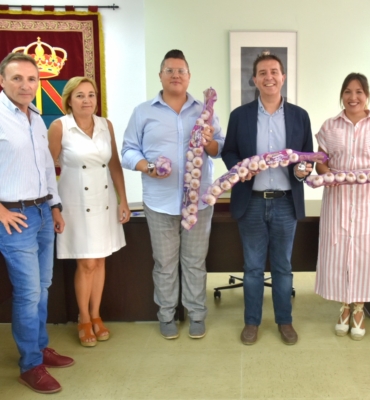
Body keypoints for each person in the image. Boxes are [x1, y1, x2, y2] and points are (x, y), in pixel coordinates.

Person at [122, 49, 224, 340]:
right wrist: (147, 167)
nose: (176, 75)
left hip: (199, 201)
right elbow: (128, 150)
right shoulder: (143, 112)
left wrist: (208, 143)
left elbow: (220, 147)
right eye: (170, 70)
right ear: (160, 76)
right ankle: (166, 314)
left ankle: (196, 314)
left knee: (194, 261)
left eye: (181, 70)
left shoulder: (205, 111)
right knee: (165, 264)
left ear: (189, 76)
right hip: (159, 201)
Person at [222, 53, 313, 345]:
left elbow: (306, 157)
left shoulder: (300, 115)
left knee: (284, 267)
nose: (269, 77)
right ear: (254, 79)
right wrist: (240, 170)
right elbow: (229, 152)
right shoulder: (240, 115)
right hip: (252, 201)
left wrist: (302, 170)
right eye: (262, 72)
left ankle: (284, 321)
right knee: (252, 267)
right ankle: (252, 322)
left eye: (274, 71)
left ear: (283, 77)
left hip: (286, 200)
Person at [0, 52, 74, 394]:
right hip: (13, 218)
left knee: (42, 286)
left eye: (32, 79)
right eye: (17, 78)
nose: (26, 85)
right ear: (3, 81)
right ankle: (30, 364)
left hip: (43, 213)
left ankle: (41, 347)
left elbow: (46, 166)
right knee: (28, 292)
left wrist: (55, 206)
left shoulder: (36, 118)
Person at [47, 76, 130, 347]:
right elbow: (48, 171)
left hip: (104, 197)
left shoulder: (106, 125)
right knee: (86, 262)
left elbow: (114, 163)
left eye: (91, 95)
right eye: (80, 95)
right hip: (74, 201)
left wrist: (123, 200)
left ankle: (96, 315)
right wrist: (54, 207)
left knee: (101, 259)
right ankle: (84, 318)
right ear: (69, 99)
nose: (87, 100)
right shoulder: (60, 126)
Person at [315, 73, 370, 340]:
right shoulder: (330, 126)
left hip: (369, 200)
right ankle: (343, 306)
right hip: (337, 198)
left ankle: (359, 308)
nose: (353, 97)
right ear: (342, 95)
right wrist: (327, 174)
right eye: (348, 92)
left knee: (364, 252)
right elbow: (320, 161)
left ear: (367, 95)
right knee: (338, 252)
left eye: (359, 92)